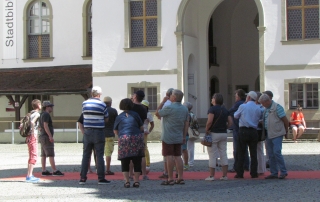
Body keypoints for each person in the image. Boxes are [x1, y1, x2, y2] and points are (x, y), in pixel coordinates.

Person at [155, 89, 189, 185]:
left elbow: (157, 113)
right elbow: (186, 124)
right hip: (179, 135)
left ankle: (170, 178)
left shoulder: (169, 107)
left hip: (168, 135)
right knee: (178, 156)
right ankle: (180, 177)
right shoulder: (184, 109)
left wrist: (162, 102)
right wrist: (183, 135)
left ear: (173, 97)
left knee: (169, 156)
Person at [79, 86, 110, 185]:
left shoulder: (84, 103)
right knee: (99, 155)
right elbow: (106, 118)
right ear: (99, 94)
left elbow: (83, 116)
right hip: (99, 131)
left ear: (91, 93)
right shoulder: (102, 104)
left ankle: (83, 178)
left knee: (86, 155)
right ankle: (101, 178)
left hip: (87, 131)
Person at [114, 98, 145, 188]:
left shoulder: (119, 117)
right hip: (136, 137)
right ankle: (136, 181)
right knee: (137, 160)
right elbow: (141, 127)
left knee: (125, 161)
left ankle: (127, 181)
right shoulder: (135, 115)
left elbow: (115, 130)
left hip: (124, 138)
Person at [259, 94, 289, 179]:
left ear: (267, 101)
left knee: (277, 152)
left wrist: (286, 131)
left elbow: (285, 121)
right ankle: (274, 172)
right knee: (271, 154)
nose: (262, 105)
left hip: (277, 133)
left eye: (263, 103)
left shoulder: (277, 108)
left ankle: (283, 171)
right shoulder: (266, 109)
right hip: (269, 133)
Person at [234, 91, 262, 179]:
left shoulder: (243, 106)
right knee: (253, 153)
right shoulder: (258, 108)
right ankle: (254, 172)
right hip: (254, 130)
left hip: (243, 130)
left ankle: (240, 172)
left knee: (241, 152)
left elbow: (235, 115)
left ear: (248, 97)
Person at [204, 93, 233, 181]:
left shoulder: (212, 109)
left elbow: (210, 121)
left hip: (214, 133)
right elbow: (230, 122)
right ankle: (224, 175)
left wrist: (207, 129)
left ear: (215, 99)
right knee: (223, 153)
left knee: (212, 155)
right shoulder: (225, 110)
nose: (211, 99)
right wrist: (225, 127)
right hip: (223, 133)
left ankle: (211, 175)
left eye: (213, 98)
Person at [39, 101, 64, 176]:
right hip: (46, 136)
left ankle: (44, 170)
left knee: (43, 154)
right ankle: (54, 170)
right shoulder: (46, 114)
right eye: (50, 106)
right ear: (47, 107)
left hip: (42, 136)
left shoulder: (41, 114)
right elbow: (45, 126)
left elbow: (40, 126)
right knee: (50, 154)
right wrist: (50, 136)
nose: (51, 108)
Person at [228, 89, 249, 173]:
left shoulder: (238, 104)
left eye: (236, 96)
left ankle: (237, 166)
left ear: (239, 96)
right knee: (245, 148)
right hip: (243, 127)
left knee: (237, 149)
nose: (235, 97)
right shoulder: (245, 104)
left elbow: (230, 112)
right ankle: (246, 165)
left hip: (237, 128)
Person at [130, 90, 148, 180]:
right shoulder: (143, 108)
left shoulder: (131, 107)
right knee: (142, 154)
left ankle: (130, 174)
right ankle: (144, 174)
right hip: (140, 131)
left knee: (131, 154)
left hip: (131, 131)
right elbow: (144, 121)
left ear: (135, 96)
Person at [158, 88, 174, 179]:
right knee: (176, 155)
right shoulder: (177, 105)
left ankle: (167, 172)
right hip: (175, 131)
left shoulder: (167, 104)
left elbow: (158, 113)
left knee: (166, 154)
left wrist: (162, 102)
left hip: (167, 131)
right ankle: (177, 173)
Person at [25, 99, 41, 183]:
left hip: (28, 136)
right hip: (32, 136)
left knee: (31, 155)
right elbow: (32, 122)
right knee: (34, 155)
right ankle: (29, 175)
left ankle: (29, 174)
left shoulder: (29, 113)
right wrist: (33, 133)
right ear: (38, 105)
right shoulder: (37, 114)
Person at [103, 96, 118, 175]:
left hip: (101, 133)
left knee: (99, 152)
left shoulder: (101, 110)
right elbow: (116, 122)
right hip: (110, 134)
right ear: (110, 103)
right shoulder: (113, 111)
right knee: (108, 153)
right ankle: (107, 169)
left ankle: (99, 169)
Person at [141, 100, 154, 174]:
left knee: (144, 148)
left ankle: (147, 163)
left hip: (144, 132)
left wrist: (149, 131)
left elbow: (152, 124)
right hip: (139, 131)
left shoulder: (148, 114)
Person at [255, 92, 266, 175]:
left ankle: (259, 168)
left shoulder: (258, 108)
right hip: (261, 130)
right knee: (260, 150)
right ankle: (261, 169)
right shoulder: (263, 108)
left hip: (257, 130)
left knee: (257, 150)